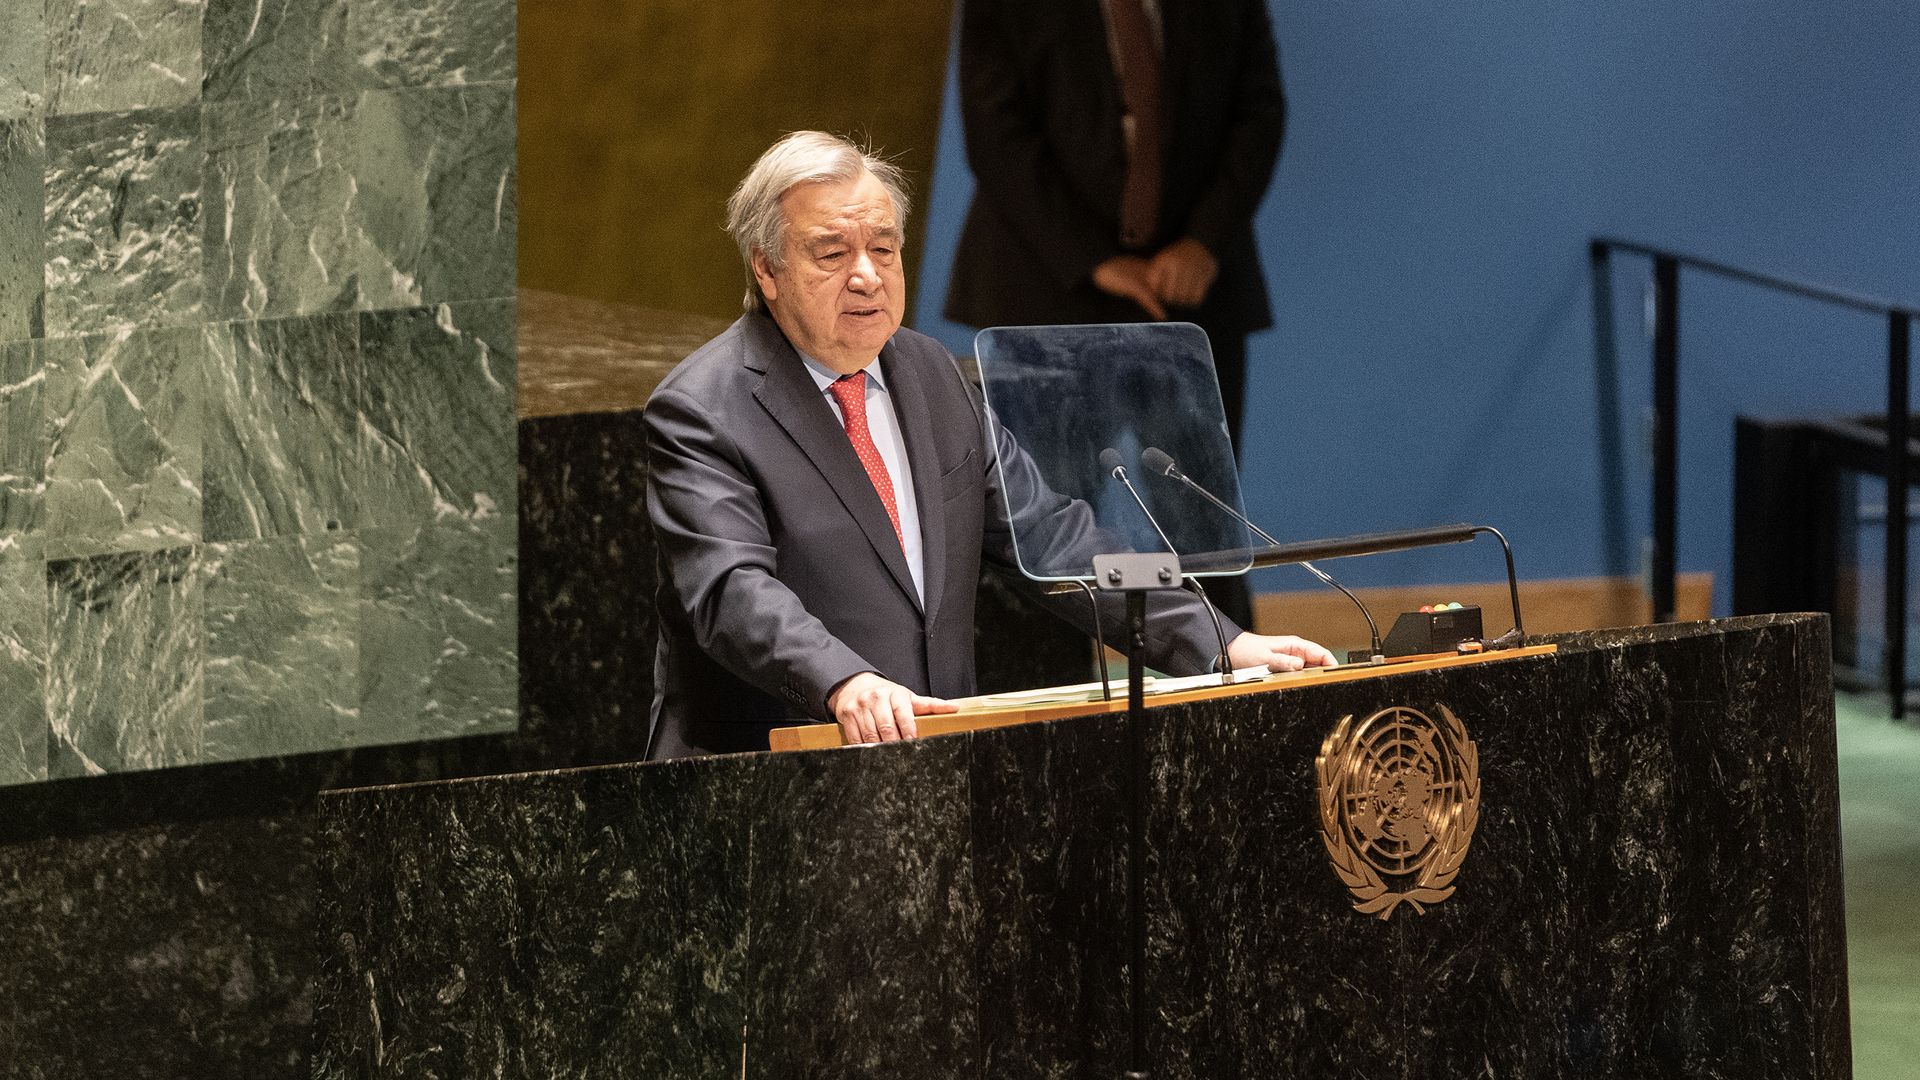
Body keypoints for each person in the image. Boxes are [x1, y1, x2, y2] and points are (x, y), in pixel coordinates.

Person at [643, 131, 1331, 759]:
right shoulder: (704, 410)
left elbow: (1055, 537)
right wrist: (842, 679)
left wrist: (1224, 642)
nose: (867, 274)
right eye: (832, 253)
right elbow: (733, 591)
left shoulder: (930, 375)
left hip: (931, 763)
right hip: (763, 785)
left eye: (884, 248)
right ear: (766, 269)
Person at [944, 0, 1287, 629]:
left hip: (1192, 295)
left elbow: (1259, 112)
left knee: (1205, 529)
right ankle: (1046, 712)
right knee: (1042, 532)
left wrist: (1204, 241)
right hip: (1046, 292)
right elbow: (996, 133)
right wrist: (1094, 260)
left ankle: (1235, 691)